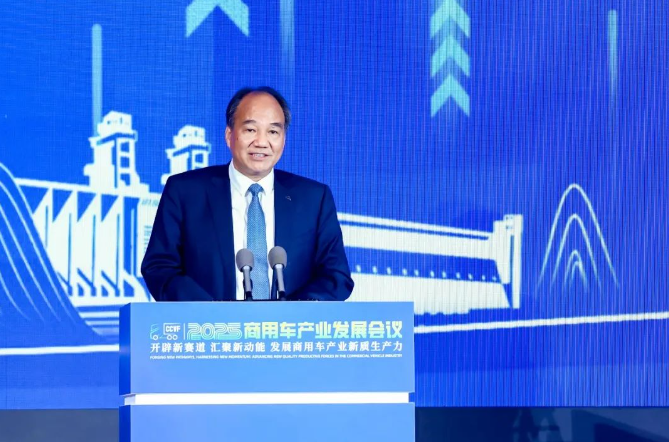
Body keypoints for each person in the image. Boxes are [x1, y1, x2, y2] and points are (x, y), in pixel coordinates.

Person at [141, 87, 354, 301]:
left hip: (292, 322)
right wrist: (207, 312)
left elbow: (336, 275)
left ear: (283, 139)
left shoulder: (314, 199)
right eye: (250, 130)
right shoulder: (185, 192)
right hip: (208, 321)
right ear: (229, 135)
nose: (261, 142)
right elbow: (160, 266)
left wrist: (296, 312)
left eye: (273, 132)